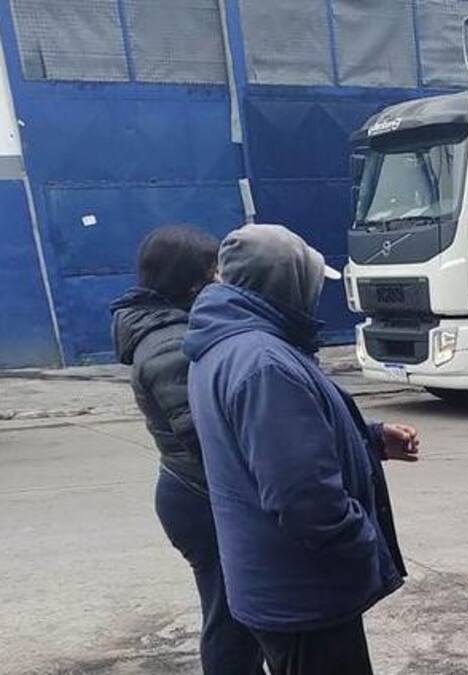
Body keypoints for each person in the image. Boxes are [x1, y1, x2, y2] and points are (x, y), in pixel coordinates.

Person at [183, 223, 418, 675]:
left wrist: (368, 439)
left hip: (278, 586)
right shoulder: (265, 363)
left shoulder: (223, 345)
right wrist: (361, 543)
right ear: (285, 284)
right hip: (303, 594)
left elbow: (269, 445)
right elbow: (303, 497)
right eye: (309, 284)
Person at [110, 226, 264, 675]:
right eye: (211, 271)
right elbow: (202, 438)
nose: (219, 280)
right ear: (188, 280)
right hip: (199, 497)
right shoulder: (169, 341)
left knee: (233, 611)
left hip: (195, 491)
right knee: (231, 618)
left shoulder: (171, 328)